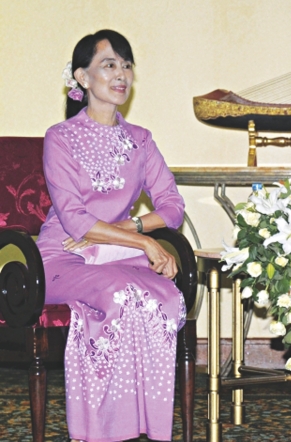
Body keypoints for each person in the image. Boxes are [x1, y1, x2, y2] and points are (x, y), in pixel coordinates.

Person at [37, 30, 187, 442]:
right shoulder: (60, 138)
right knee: (123, 294)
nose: (121, 74)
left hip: (116, 254)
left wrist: (130, 228)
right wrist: (147, 242)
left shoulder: (140, 140)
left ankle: (146, 427)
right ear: (82, 77)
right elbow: (75, 220)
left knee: (166, 296)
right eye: (109, 64)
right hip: (62, 256)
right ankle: (102, 430)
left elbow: (173, 205)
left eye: (126, 65)